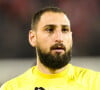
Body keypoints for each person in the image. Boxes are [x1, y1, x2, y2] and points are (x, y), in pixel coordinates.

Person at [0, 7, 100, 90]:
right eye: (49, 30)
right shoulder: (12, 88)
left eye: (64, 30)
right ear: (32, 38)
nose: (59, 38)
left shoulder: (95, 82)